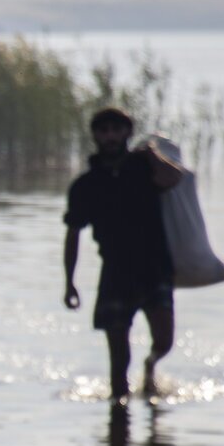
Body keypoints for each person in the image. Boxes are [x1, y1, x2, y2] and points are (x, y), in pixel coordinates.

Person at [62, 108, 183, 401]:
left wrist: (152, 153)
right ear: (95, 136)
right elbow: (73, 234)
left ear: (128, 133)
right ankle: (118, 421)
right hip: (116, 274)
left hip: (155, 267)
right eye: (104, 130)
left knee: (164, 341)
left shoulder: (144, 167)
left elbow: (173, 178)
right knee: (118, 360)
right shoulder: (86, 185)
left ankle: (151, 366)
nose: (110, 136)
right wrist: (69, 282)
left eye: (117, 129)